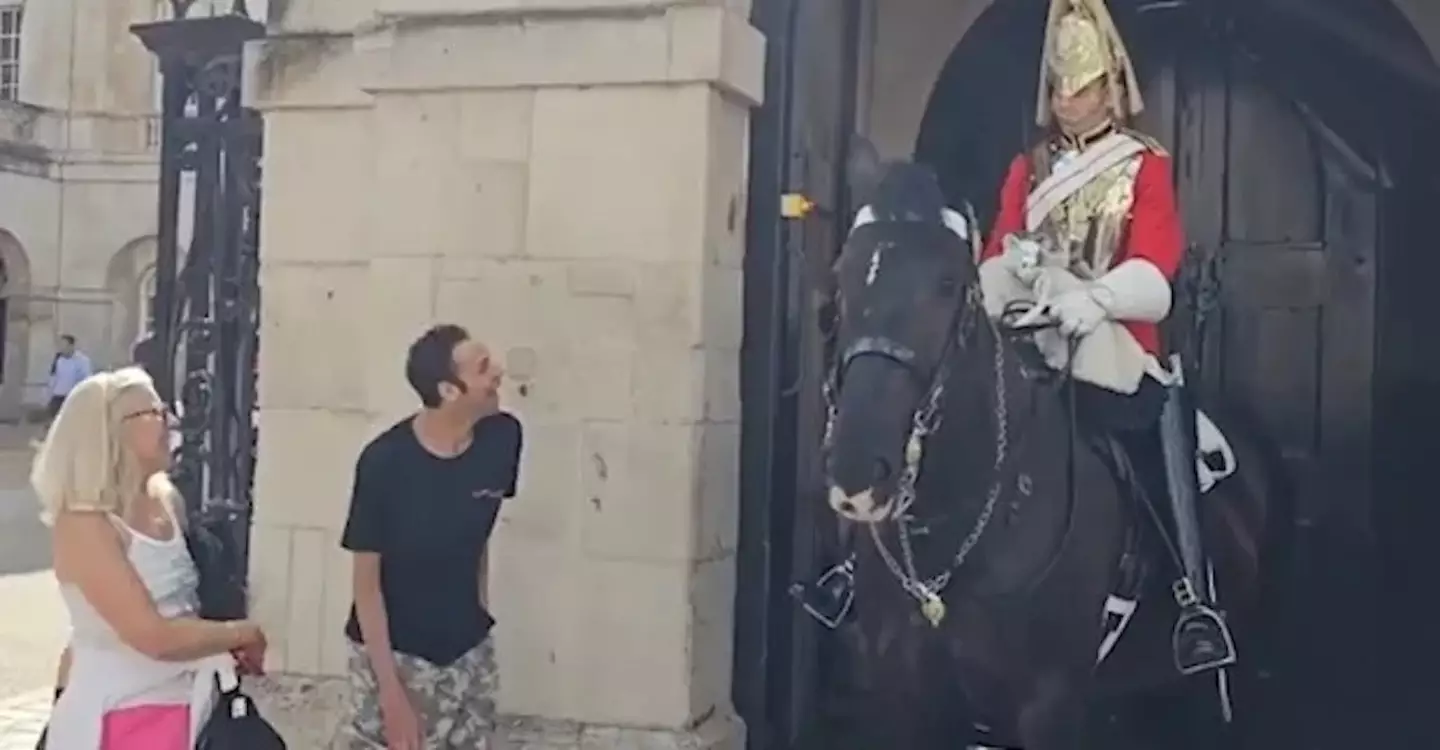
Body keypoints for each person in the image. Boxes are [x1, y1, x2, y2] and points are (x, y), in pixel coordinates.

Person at [978, 0, 1233, 675]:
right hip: (1028, 339)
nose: (1068, 101)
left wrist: (1098, 299)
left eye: (1081, 88)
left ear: (1110, 86)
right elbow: (998, 251)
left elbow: (1156, 270)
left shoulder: (1142, 167)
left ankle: (1190, 600)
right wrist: (1012, 280)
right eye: (1059, 87)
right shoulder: (1026, 170)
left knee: (1150, 444)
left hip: (1111, 342)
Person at [35, 367, 268, 749]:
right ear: (112, 430)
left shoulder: (167, 500)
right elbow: (153, 636)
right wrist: (242, 633)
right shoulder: (84, 524)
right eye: (155, 413)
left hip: (192, 705)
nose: (170, 421)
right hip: (122, 715)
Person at [334, 324, 522, 750]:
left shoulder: (503, 438)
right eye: (483, 368)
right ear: (449, 390)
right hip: (396, 657)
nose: (498, 373)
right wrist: (391, 694)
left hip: (469, 652)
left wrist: (478, 619)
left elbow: (478, 538)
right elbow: (366, 586)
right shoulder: (384, 463)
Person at [46, 334, 93, 422]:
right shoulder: (58, 360)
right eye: (61, 346)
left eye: (65, 345)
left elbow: (86, 379)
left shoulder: (82, 360)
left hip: (72, 396)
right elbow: (53, 378)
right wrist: (49, 396)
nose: (62, 348)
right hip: (58, 396)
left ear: (71, 346)